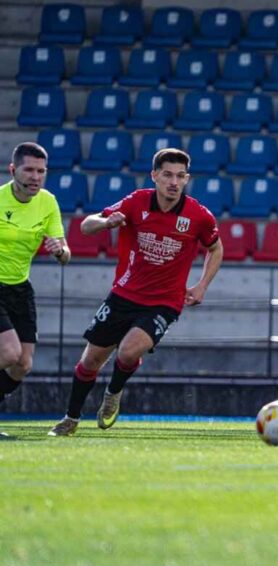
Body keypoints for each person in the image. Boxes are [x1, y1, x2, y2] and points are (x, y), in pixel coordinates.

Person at [49, 149, 223, 436]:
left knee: (129, 351)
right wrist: (106, 223)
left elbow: (216, 247)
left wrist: (202, 285)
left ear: (187, 179)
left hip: (165, 302)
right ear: (154, 175)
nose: (174, 182)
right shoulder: (135, 202)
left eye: (180, 176)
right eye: (167, 174)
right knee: (90, 361)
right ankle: (71, 418)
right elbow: (86, 225)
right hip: (124, 295)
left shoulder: (198, 216)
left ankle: (112, 394)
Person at [0, 143, 70, 438]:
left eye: (41, 171)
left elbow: (65, 253)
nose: (35, 176)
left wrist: (59, 249)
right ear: (13, 170)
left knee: (23, 364)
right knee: (9, 351)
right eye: (28, 170)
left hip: (20, 288)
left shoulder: (48, 202)